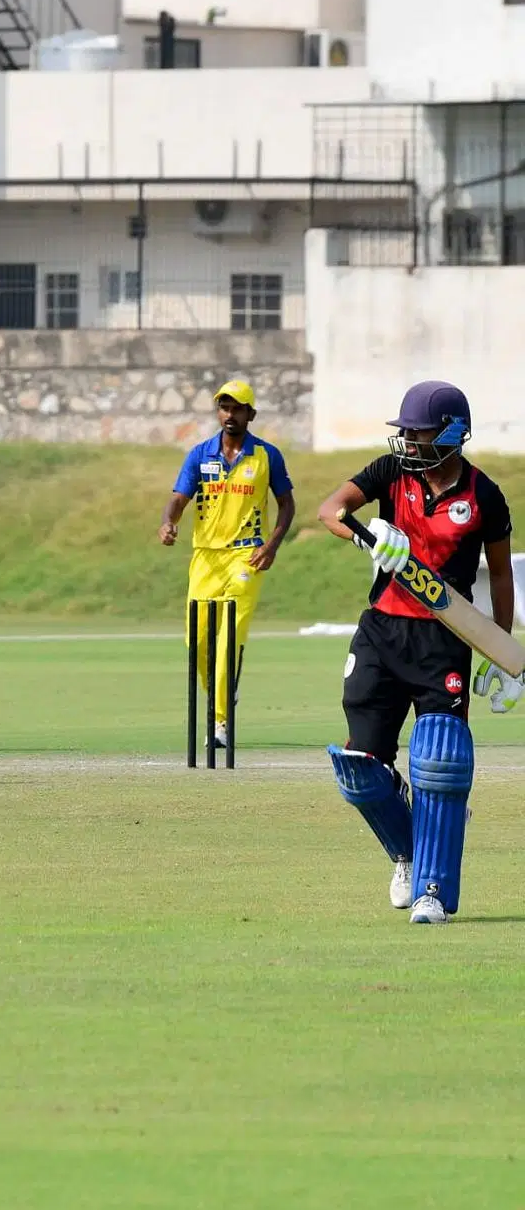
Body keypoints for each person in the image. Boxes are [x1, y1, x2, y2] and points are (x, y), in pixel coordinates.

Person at [317, 380, 515, 925]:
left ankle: (432, 890)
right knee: (359, 768)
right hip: (381, 631)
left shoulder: (484, 495)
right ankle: (407, 850)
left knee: (440, 763)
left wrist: (504, 652)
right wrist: (366, 534)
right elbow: (329, 510)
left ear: (452, 433)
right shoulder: (389, 472)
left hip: (442, 640)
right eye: (403, 430)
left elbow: (499, 573)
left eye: (418, 431)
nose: (407, 439)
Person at [159, 378, 295, 748]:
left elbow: (286, 503)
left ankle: (220, 721)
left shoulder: (267, 456)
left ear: (251, 414)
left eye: (237, 408)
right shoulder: (200, 454)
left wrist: (272, 544)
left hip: (246, 556)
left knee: (228, 637)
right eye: (224, 407)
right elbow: (178, 498)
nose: (229, 415)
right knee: (197, 641)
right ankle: (222, 696)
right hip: (205, 557)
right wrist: (169, 521)